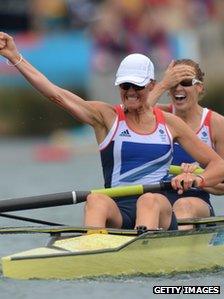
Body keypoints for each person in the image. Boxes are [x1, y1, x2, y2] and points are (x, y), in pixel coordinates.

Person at [0, 32, 224, 232]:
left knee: (148, 200)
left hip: (160, 208)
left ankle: (141, 250)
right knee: (96, 200)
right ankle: (90, 250)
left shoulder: (171, 123)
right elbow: (56, 94)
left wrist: (198, 179)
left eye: (137, 86)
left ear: (151, 86)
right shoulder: (106, 117)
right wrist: (15, 57)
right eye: (125, 86)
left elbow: (219, 165)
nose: (131, 92)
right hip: (120, 209)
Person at [147, 58, 224, 229]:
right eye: (174, 83)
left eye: (186, 82)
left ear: (200, 87)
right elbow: (129, 114)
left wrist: (197, 178)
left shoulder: (216, 123)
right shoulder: (157, 114)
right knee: (147, 203)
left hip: (196, 202)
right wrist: (163, 84)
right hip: (158, 200)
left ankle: (173, 249)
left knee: (183, 206)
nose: (179, 88)